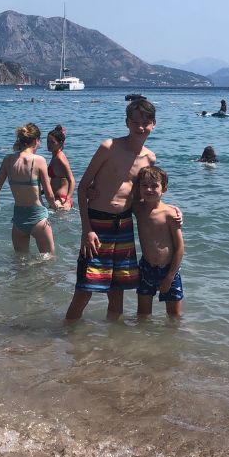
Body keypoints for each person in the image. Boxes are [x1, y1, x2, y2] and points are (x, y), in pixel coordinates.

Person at [65, 99, 158, 321]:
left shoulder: (149, 158)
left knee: (118, 291)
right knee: (84, 289)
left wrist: (169, 212)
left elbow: (141, 198)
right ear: (127, 123)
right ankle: (67, 339)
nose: (140, 127)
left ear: (153, 124)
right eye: (135, 122)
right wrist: (86, 230)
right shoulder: (109, 147)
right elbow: (82, 187)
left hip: (124, 225)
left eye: (145, 122)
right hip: (97, 225)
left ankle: (113, 346)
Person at [0, 123, 60, 254]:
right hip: (38, 218)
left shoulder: (8, 160)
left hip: (18, 219)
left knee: (20, 263)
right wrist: (55, 206)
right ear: (36, 141)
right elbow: (49, 194)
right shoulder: (39, 160)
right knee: (48, 260)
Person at [133, 166, 184, 316]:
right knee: (142, 315)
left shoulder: (170, 214)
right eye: (144, 185)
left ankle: (171, 339)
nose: (149, 189)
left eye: (154, 186)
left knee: (174, 317)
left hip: (169, 270)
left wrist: (170, 277)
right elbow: (117, 201)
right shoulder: (137, 208)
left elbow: (180, 248)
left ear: (164, 189)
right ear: (139, 188)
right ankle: (141, 340)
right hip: (146, 268)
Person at [46, 125, 76, 210]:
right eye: (48, 142)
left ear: (60, 143)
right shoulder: (55, 156)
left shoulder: (60, 158)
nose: (49, 145)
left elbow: (72, 180)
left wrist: (67, 200)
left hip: (61, 200)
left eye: (52, 142)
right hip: (56, 199)